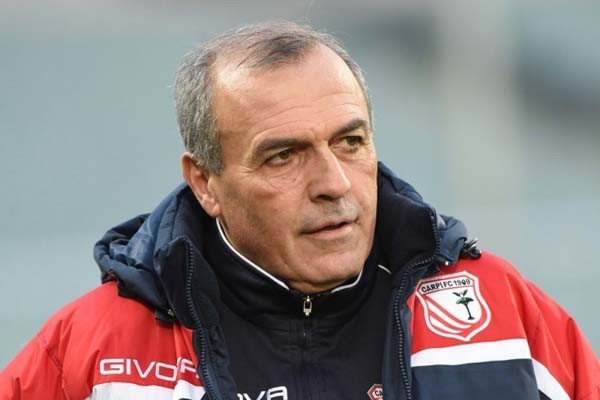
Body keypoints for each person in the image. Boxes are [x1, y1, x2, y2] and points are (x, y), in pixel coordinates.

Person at [1, 21, 598, 400]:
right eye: (283, 156)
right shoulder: (95, 352)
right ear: (205, 182)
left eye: (350, 142)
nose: (334, 184)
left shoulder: (502, 314)